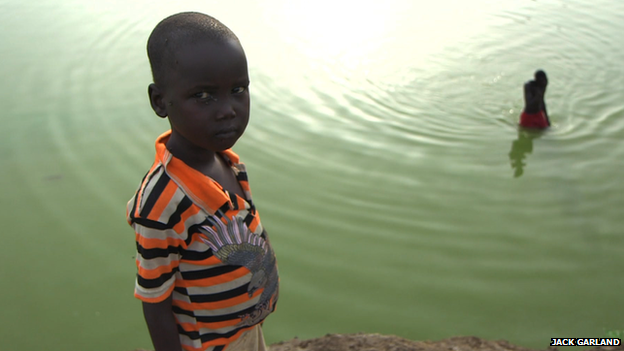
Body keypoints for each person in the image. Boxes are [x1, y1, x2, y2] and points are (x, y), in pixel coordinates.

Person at [126, 12, 279, 351]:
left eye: (237, 89)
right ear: (159, 101)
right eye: (204, 96)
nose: (228, 110)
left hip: (243, 331)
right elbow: (154, 300)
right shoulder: (162, 202)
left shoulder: (227, 160)